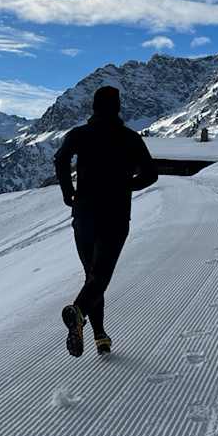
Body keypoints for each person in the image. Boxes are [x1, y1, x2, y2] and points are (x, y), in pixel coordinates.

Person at [53, 85, 158, 357]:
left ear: (93, 107)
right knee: (100, 276)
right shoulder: (130, 138)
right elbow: (151, 175)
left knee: (91, 275)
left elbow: (61, 158)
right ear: (118, 108)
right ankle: (78, 312)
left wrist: (68, 191)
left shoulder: (80, 134)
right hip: (115, 214)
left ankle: (100, 334)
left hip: (84, 213)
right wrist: (125, 185)